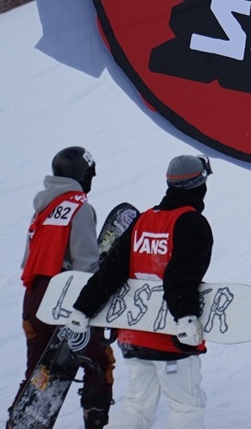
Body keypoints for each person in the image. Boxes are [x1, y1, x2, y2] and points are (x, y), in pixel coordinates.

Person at [68, 155, 214, 429]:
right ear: (200, 184)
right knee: (186, 408)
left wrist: (83, 308)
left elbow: (111, 272)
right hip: (170, 337)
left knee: (137, 406)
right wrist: (186, 318)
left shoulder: (143, 220)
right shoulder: (192, 223)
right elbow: (180, 278)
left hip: (134, 336)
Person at [13, 146, 114, 429]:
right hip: (63, 298)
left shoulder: (42, 208)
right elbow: (85, 265)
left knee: (38, 374)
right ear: (82, 174)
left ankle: (18, 422)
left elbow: (29, 260)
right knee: (99, 361)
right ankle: (95, 421)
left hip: (34, 300)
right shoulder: (80, 208)